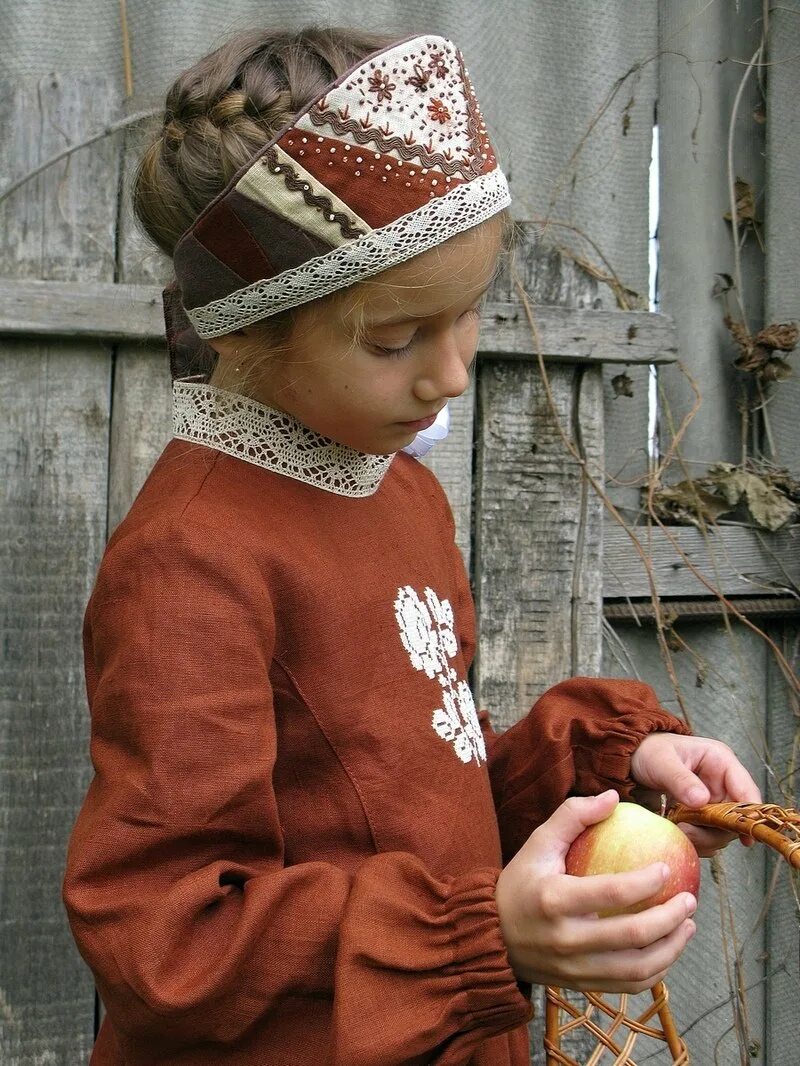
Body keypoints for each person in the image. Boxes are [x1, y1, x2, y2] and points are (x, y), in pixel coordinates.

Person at [63, 25, 762, 1066]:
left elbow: (416, 781)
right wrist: (485, 933)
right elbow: (165, 935)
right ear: (247, 331)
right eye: (394, 340)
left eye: (467, 314)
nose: (448, 374)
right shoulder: (190, 561)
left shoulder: (395, 492)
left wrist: (610, 774)